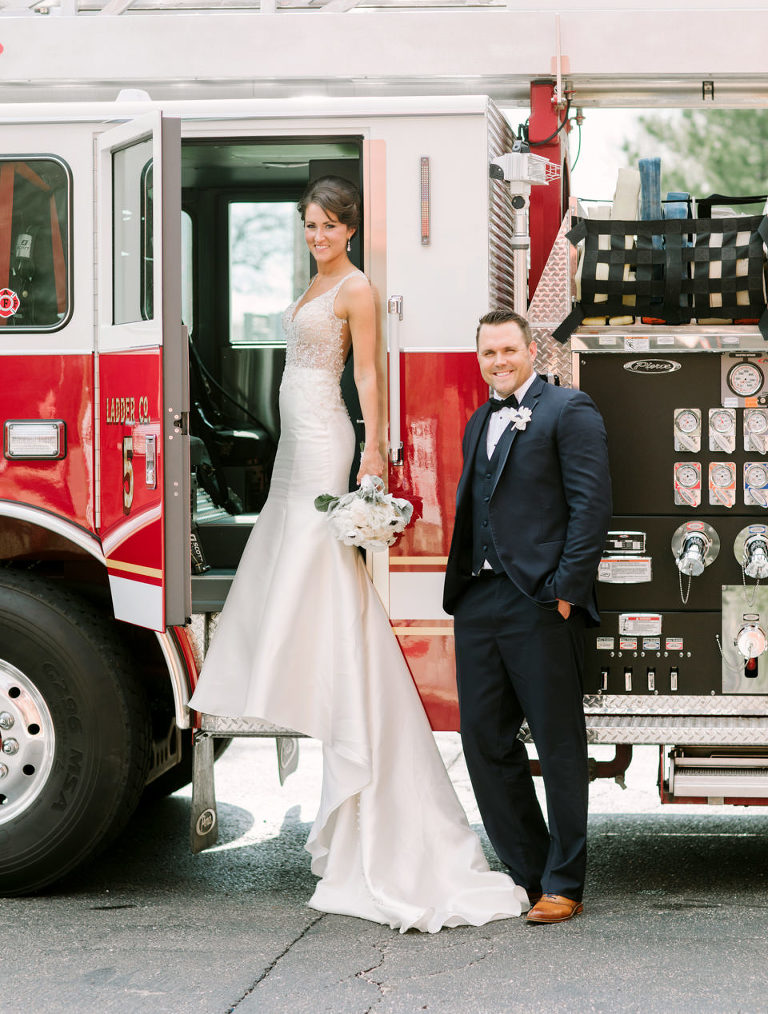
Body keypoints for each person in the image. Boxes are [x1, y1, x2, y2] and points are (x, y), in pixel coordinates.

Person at [189, 177, 528, 932]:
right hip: (295, 445)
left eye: (328, 225)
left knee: (324, 573)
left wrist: (374, 452)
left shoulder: (359, 289)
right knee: (300, 567)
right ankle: (313, 681)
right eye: (309, 225)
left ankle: (342, 705)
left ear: (350, 228)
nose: (317, 235)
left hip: (324, 441)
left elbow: (368, 373)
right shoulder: (316, 279)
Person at [443, 310, 611, 925]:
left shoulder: (570, 410)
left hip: (540, 604)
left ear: (531, 348)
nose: (498, 361)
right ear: (479, 357)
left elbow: (591, 506)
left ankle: (565, 883)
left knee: (559, 746)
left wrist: (564, 592)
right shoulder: (478, 421)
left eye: (508, 349)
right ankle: (533, 872)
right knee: (484, 743)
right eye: (488, 353)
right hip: (479, 601)